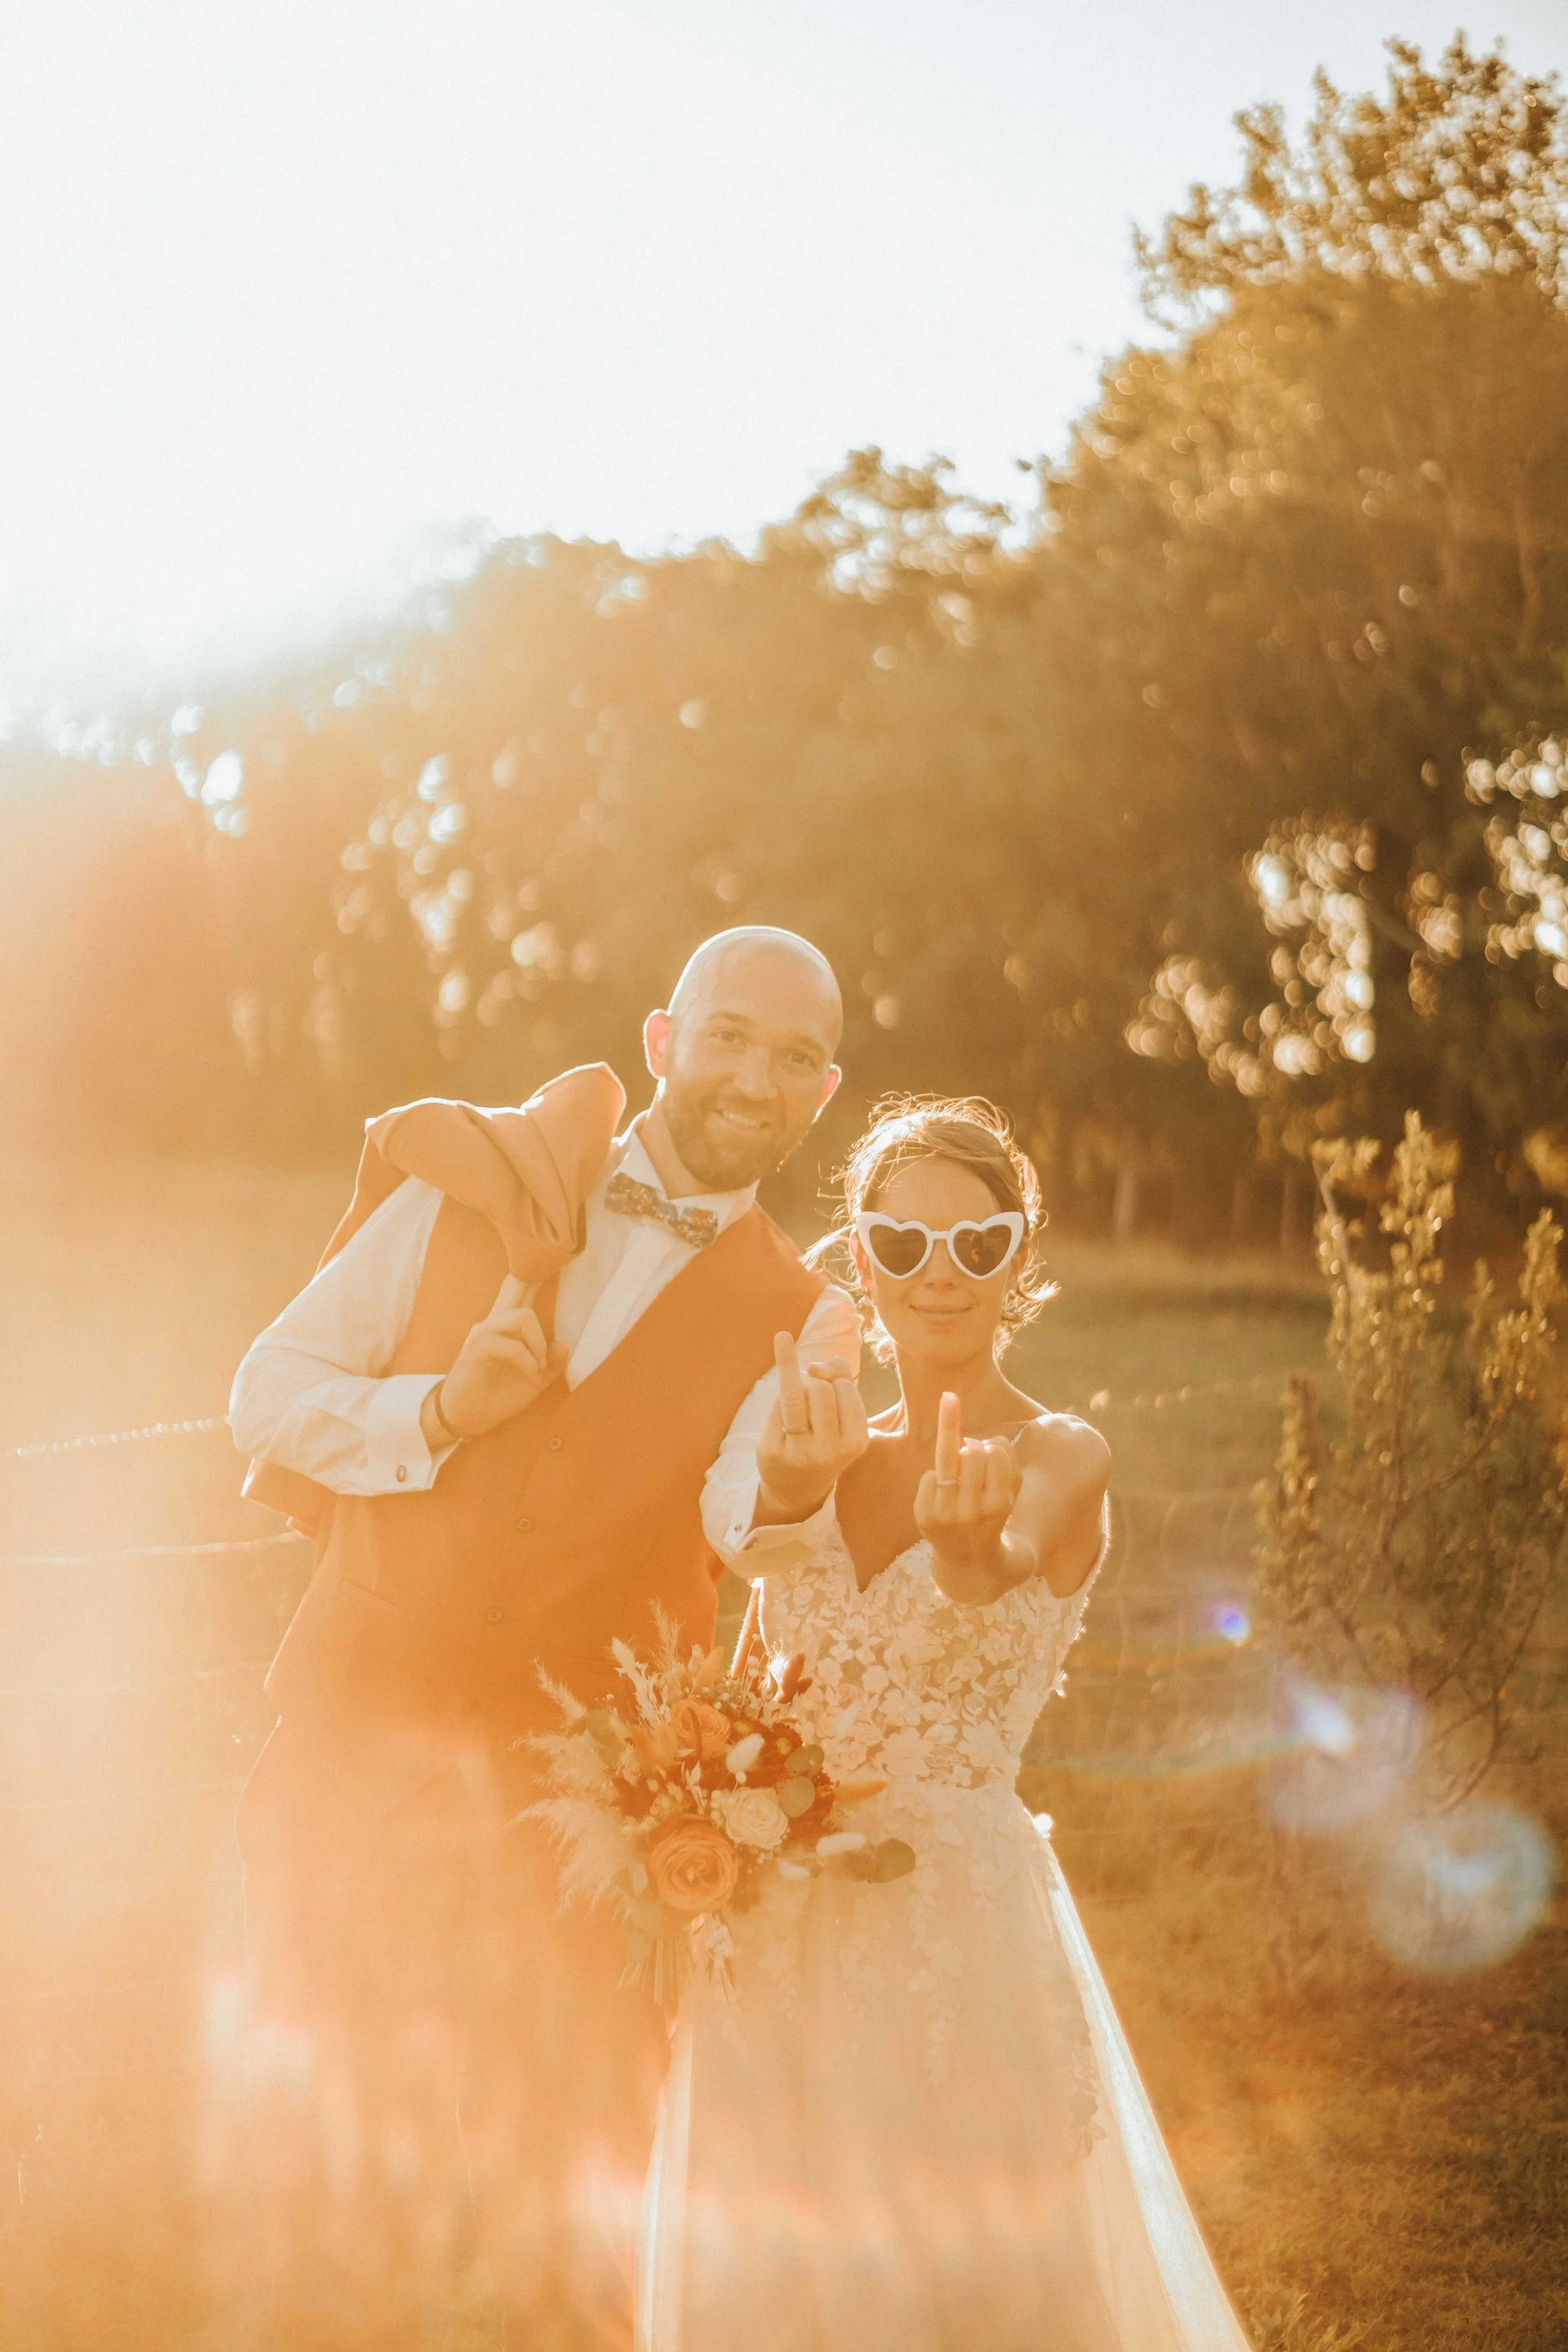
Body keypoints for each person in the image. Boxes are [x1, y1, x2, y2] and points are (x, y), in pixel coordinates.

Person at [225, 928, 859, 2349]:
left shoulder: (807, 1319)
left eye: (791, 1055)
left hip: (584, 1807)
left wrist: (801, 1488)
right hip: (355, 1740)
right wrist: (438, 1410)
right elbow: (265, 1392)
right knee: (323, 2174)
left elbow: (740, 1516)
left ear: (823, 1089)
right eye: (728, 1035)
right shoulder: (472, 1189)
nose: (753, 1075)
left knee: (565, 2213)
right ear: (661, 1038)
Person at [637, 1096, 1253, 2352]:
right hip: (778, 1919)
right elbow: (760, 1688)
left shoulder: (1058, 1451)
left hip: (945, 1935)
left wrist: (973, 1555)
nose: (939, 1273)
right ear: (857, 1260)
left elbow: (1001, 1559)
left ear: (1018, 1256)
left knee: (952, 2283)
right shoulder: (817, 1448)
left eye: (977, 1242)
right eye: (901, 1242)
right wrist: (700, 1826)